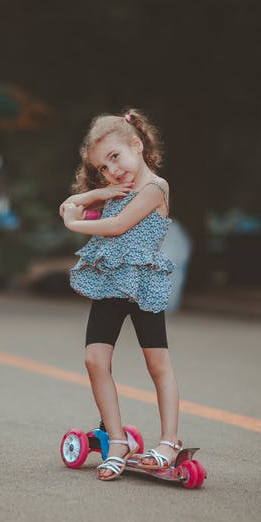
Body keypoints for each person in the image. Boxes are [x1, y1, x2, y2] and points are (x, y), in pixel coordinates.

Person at [59, 108, 182, 481]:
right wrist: (103, 191)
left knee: (157, 364)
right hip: (110, 285)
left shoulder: (155, 188)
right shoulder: (118, 189)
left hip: (142, 284)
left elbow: (115, 225)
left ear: (137, 144)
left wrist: (73, 223)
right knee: (95, 360)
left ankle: (169, 442)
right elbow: (69, 203)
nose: (112, 170)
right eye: (102, 167)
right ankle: (117, 441)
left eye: (115, 157)